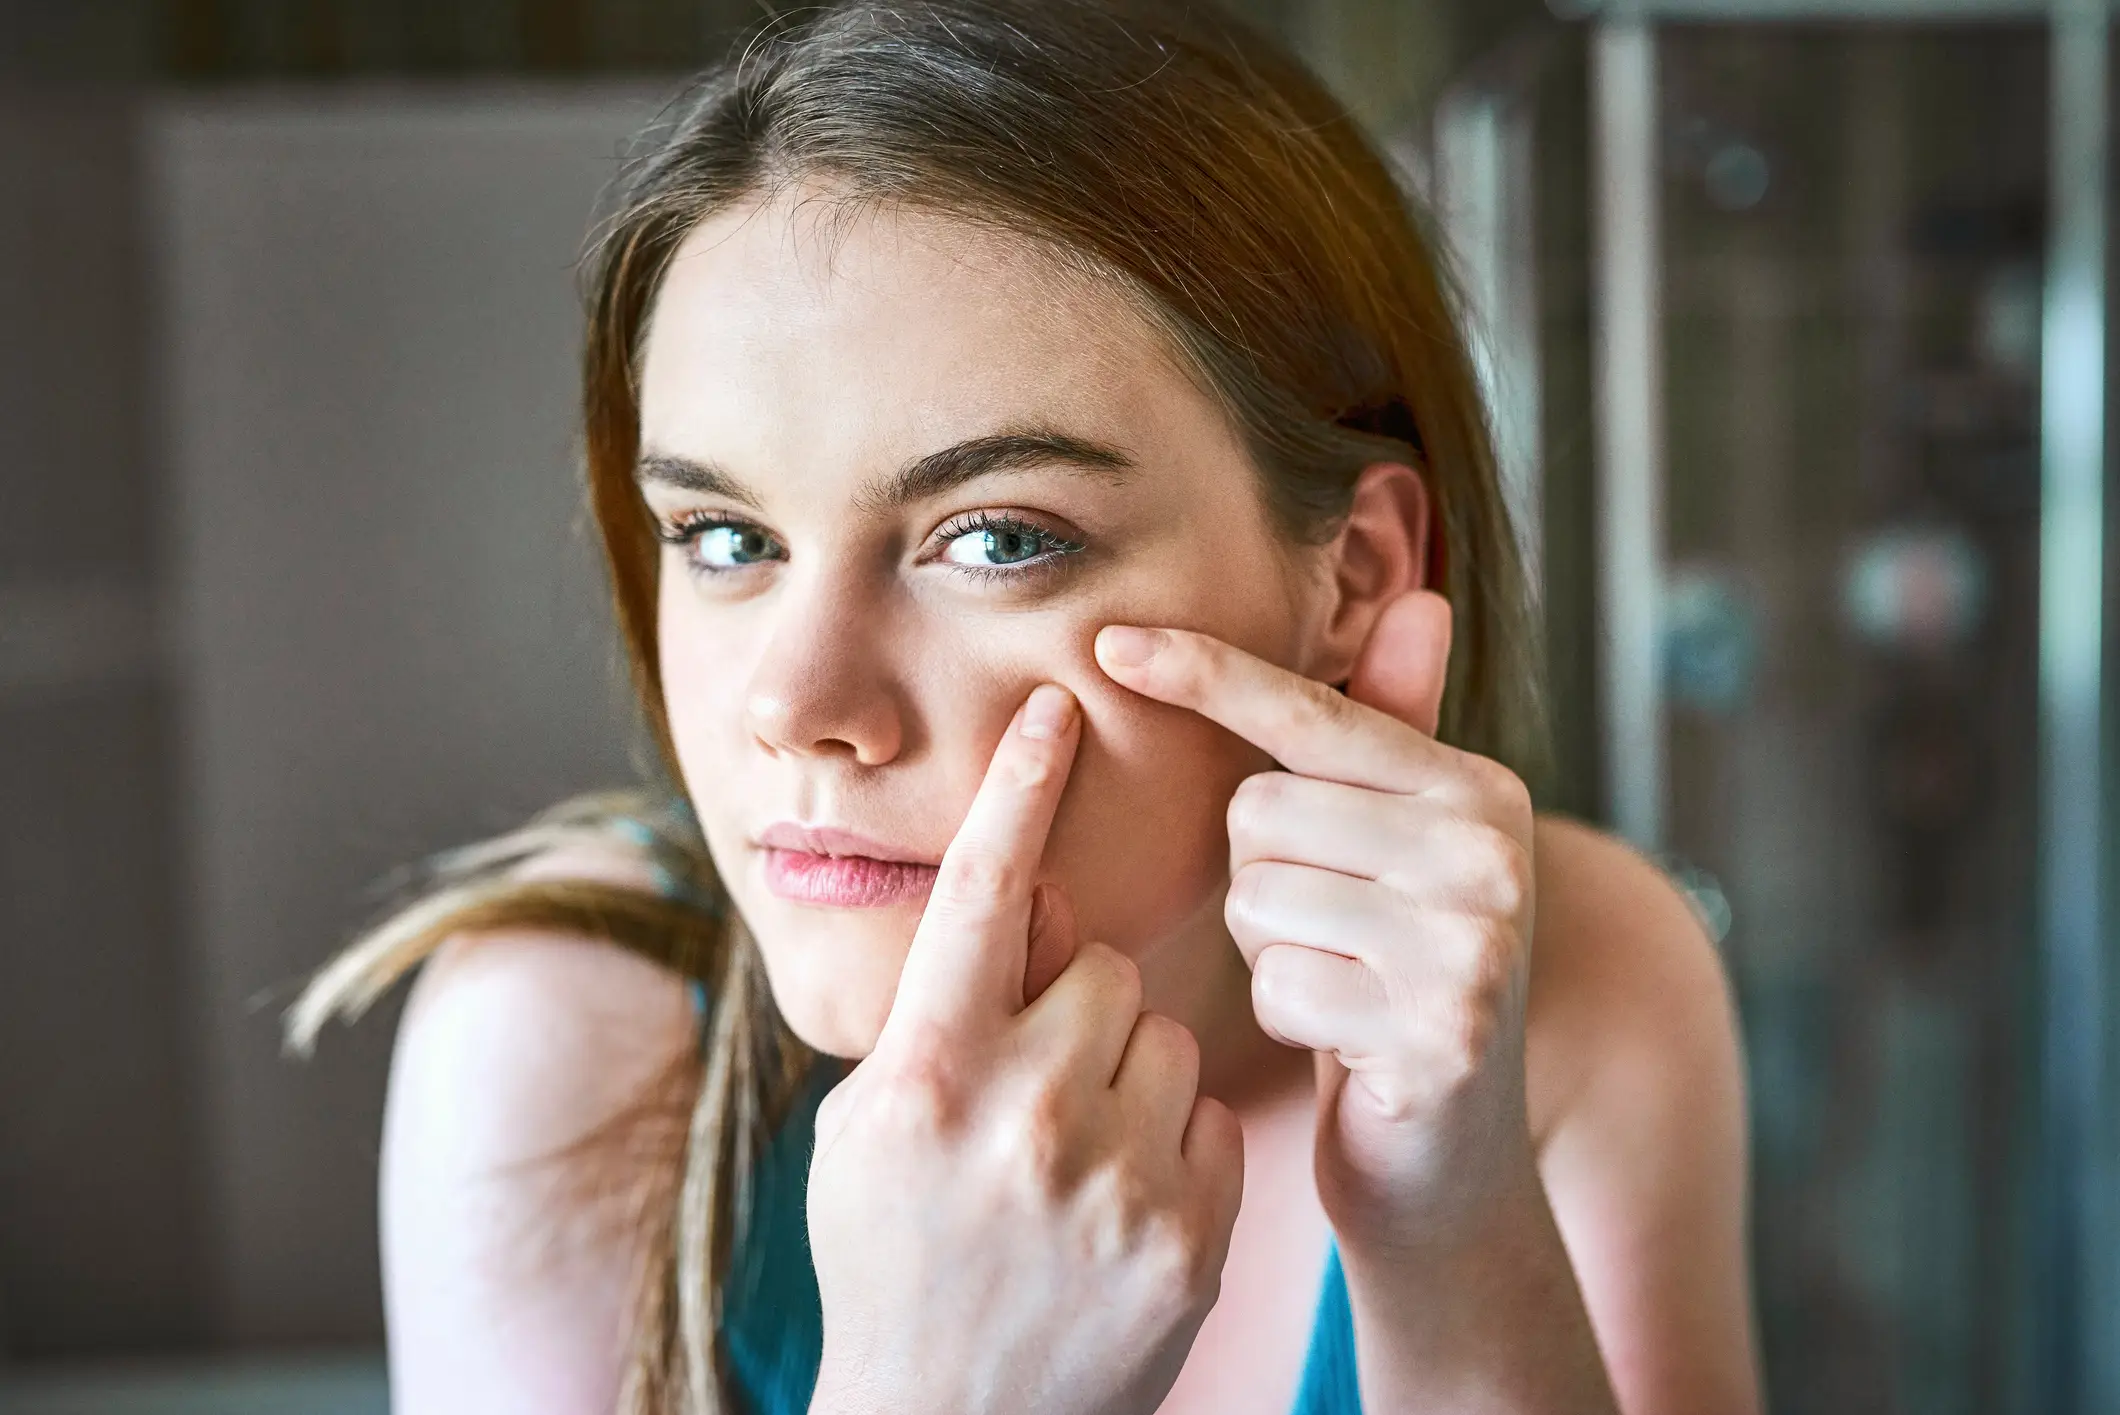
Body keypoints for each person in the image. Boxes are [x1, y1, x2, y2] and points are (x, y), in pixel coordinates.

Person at [286, 2, 1762, 1412]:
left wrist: (1451, 1224)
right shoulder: (571, 1049)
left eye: (997, 539)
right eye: (726, 538)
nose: (798, 707)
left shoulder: (1575, 987)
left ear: (1356, 576)